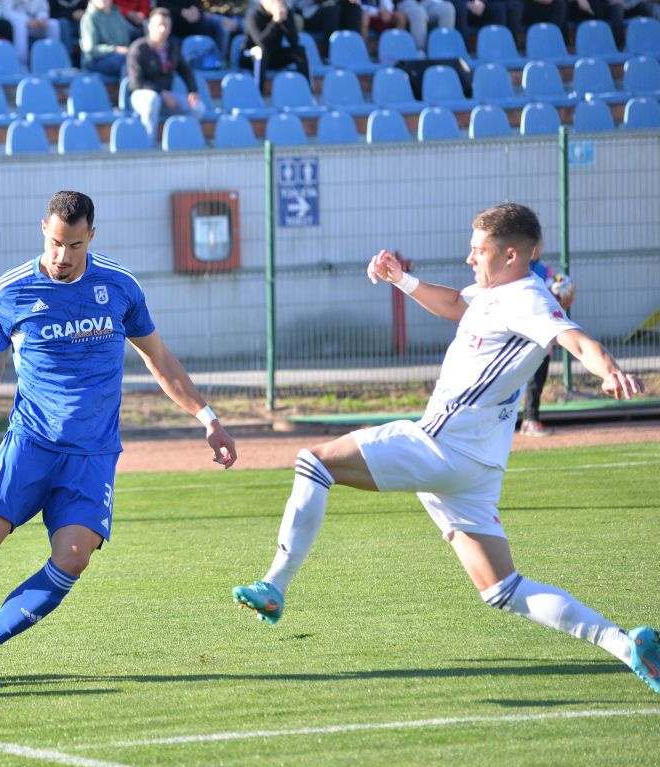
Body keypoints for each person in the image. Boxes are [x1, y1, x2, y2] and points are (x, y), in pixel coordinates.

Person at [230, 203, 659, 695]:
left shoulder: (527, 298)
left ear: (512, 254)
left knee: (315, 463)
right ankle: (627, 646)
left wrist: (610, 371)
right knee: (503, 589)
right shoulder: (495, 293)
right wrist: (402, 279)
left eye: (479, 250)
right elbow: (457, 303)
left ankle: (275, 586)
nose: (469, 257)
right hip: (476, 467)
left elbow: (575, 340)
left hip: (440, 444)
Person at [0, 191, 238, 678]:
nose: (63, 256)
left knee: (74, 557)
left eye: (75, 245)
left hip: (93, 454)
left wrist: (208, 418)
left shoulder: (120, 287)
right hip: (31, 443)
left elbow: (159, 360)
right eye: (57, 242)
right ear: (44, 228)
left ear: (91, 237)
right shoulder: (10, 291)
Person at [128, 8, 208, 143]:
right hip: (142, 95)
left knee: (198, 108)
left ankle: (182, 143)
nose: (162, 29)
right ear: (150, 26)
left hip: (166, 96)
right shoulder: (138, 48)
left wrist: (192, 91)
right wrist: (161, 92)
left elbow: (185, 70)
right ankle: (149, 145)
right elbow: (136, 83)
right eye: (159, 25)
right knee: (152, 99)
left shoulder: (172, 47)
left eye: (166, 25)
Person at [519, 255, 574, 436]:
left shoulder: (543, 269)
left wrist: (561, 293)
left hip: (544, 340)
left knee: (538, 381)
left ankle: (531, 420)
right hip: (528, 340)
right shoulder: (523, 269)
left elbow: (558, 301)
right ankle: (529, 420)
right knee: (530, 382)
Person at [240, 0, 310, 90]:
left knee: (299, 51)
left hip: (272, 56)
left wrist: (285, 20)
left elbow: (294, 41)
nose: (277, 3)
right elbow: (262, 43)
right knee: (261, 52)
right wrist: (275, 21)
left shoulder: (285, 13)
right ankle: (258, 93)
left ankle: (307, 90)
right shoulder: (253, 15)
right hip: (251, 56)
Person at [158, 0, 238, 58]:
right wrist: (181, 12)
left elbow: (198, 5)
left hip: (194, 23)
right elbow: (162, 8)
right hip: (174, 25)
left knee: (216, 25)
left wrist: (196, 10)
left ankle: (218, 60)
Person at [0, 0, 63, 66]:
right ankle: (21, 64)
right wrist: (27, 20)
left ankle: (53, 60)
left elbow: (43, 9)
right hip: (10, 23)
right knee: (20, 26)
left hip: (33, 24)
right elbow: (7, 12)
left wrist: (41, 19)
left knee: (53, 24)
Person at [80, 0, 135, 78]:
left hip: (120, 56)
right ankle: (130, 89)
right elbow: (91, 50)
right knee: (126, 61)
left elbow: (125, 42)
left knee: (137, 57)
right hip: (96, 61)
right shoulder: (89, 18)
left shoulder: (117, 15)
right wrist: (114, 49)